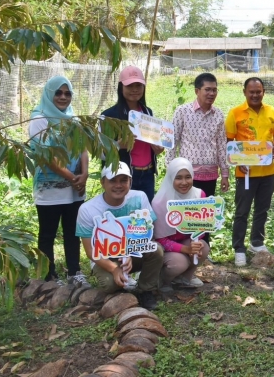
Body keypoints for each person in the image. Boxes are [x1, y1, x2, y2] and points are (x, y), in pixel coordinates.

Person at [75, 163, 163, 310]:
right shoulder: (88, 209)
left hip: (133, 251)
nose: (118, 185)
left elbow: (148, 234)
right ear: (102, 182)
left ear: (130, 182)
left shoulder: (139, 198)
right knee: (110, 284)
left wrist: (131, 251)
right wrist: (114, 269)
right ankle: (119, 289)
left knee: (156, 250)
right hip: (105, 257)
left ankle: (146, 290)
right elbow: (90, 252)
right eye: (113, 180)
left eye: (123, 180)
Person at [29, 75, 90, 286]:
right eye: (58, 93)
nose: (63, 97)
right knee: (48, 233)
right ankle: (49, 276)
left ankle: (74, 272)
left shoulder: (73, 120)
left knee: (73, 232)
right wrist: (73, 177)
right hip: (50, 188)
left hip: (75, 187)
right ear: (49, 94)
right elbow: (47, 157)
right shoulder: (39, 119)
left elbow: (83, 148)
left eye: (67, 93)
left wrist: (85, 174)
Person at [225, 77, 274, 267]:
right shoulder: (235, 113)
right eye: (252, 92)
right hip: (246, 173)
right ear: (245, 92)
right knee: (242, 211)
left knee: (262, 210)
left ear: (263, 92)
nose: (255, 95)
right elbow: (229, 142)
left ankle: (256, 243)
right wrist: (238, 160)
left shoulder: (271, 111)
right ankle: (239, 248)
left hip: (267, 171)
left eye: (259, 91)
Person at [101, 65, 164, 200]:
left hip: (148, 175)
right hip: (122, 177)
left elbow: (152, 144)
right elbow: (100, 153)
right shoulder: (108, 116)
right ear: (121, 87)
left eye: (139, 85)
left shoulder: (148, 112)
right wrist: (118, 146)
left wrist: (157, 149)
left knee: (145, 212)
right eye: (130, 86)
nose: (135, 89)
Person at [168, 72, 230, 198]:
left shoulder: (218, 114)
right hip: (187, 175)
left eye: (214, 90)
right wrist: (171, 171)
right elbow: (172, 141)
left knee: (205, 208)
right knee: (187, 208)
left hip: (210, 175)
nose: (211, 93)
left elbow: (222, 145)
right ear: (197, 91)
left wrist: (225, 174)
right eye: (207, 89)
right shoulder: (182, 111)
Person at [152, 158, 210, 293]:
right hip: (164, 247)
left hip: (186, 240)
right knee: (179, 263)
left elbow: (202, 226)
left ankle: (184, 278)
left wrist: (195, 242)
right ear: (171, 178)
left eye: (188, 177)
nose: (184, 182)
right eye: (178, 178)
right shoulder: (160, 202)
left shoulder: (199, 195)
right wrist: (186, 249)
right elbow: (160, 239)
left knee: (203, 247)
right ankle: (163, 279)